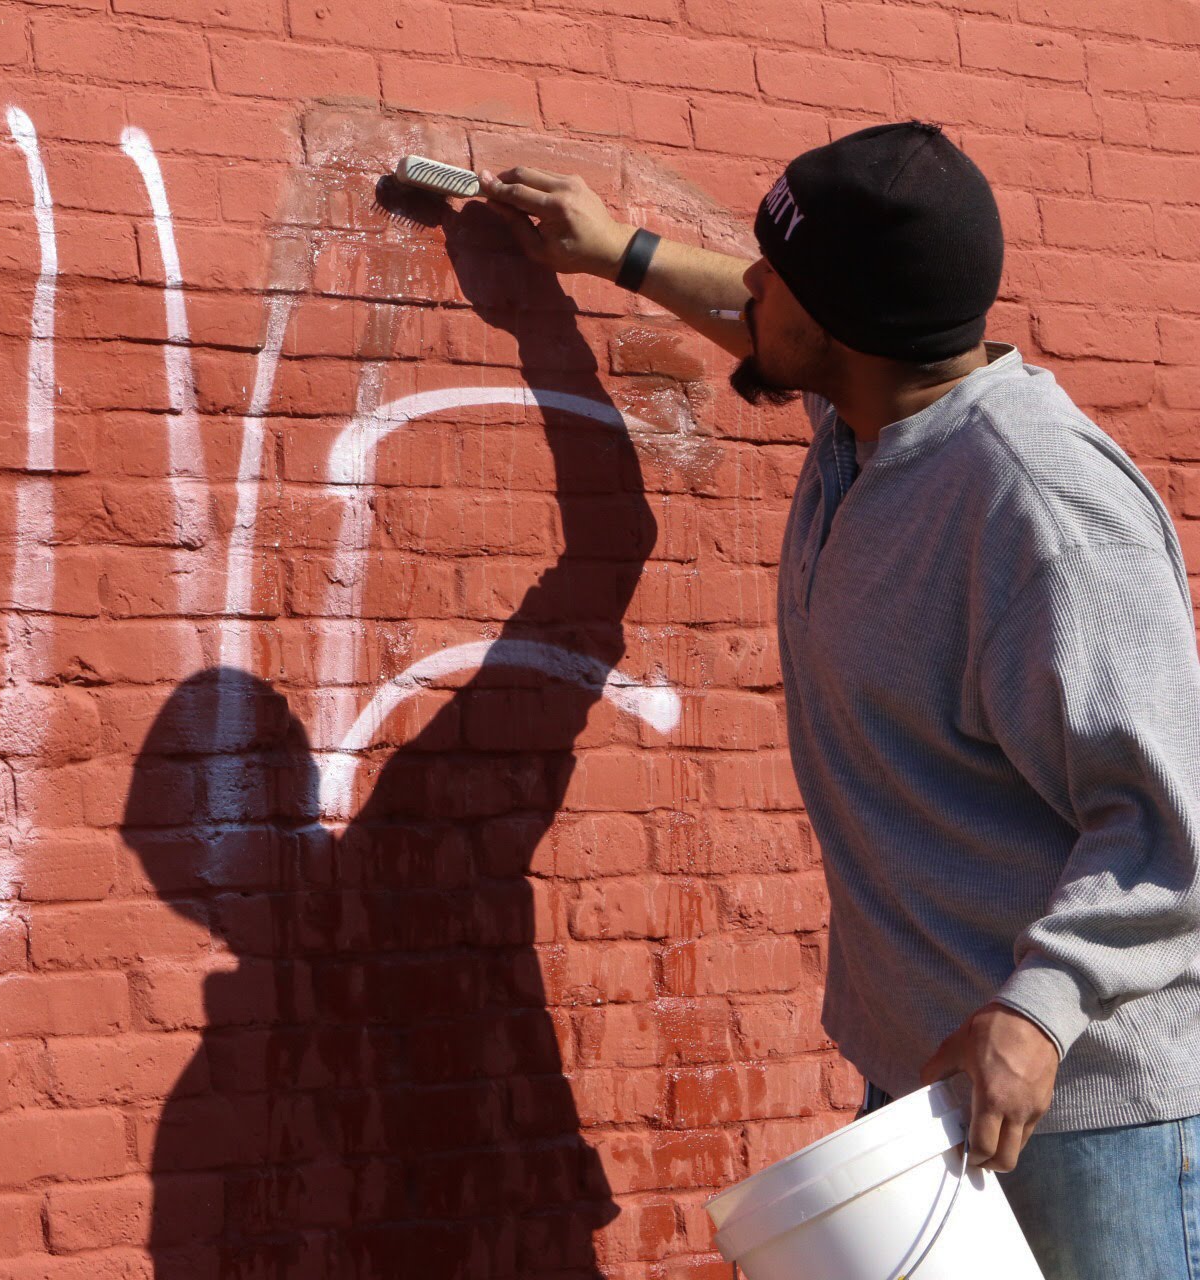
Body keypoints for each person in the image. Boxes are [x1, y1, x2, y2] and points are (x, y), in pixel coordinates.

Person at [477, 120, 1200, 1278]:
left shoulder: (1044, 517)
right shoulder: (877, 414)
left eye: (779, 276)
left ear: (844, 329)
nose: (752, 284)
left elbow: (1172, 826)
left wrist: (1039, 1010)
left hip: (1081, 1098)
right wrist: (618, 251)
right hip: (928, 1075)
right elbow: (766, 327)